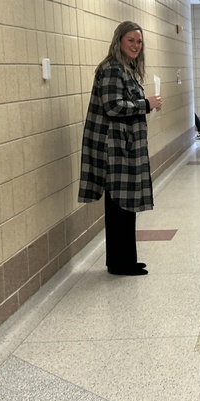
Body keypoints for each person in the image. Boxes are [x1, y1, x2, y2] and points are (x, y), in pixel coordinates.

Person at [77, 21, 161, 276]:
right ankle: (120, 263)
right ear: (119, 41)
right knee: (120, 203)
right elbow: (113, 106)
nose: (136, 45)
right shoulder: (112, 69)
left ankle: (124, 259)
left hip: (123, 145)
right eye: (130, 40)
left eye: (139, 41)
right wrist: (146, 104)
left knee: (125, 203)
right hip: (114, 147)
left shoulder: (125, 69)